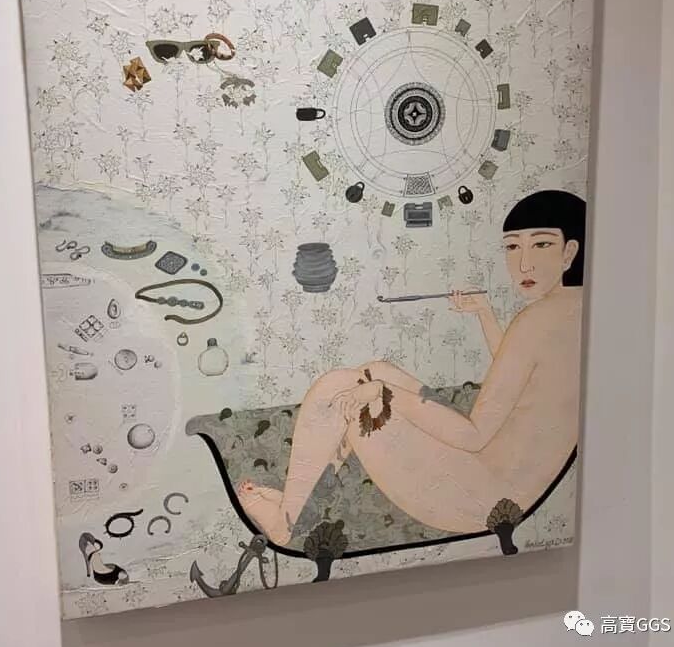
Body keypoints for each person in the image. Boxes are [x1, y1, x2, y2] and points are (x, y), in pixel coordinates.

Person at [238, 190, 586, 545]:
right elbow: (524, 382)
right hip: (518, 490)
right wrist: (485, 314)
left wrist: (384, 393)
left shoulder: (534, 320)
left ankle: (286, 524)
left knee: (340, 388)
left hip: (483, 497)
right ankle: (299, 504)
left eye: (541, 245)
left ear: (570, 251)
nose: (524, 264)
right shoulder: (575, 308)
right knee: (377, 369)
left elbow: (473, 436)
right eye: (512, 247)